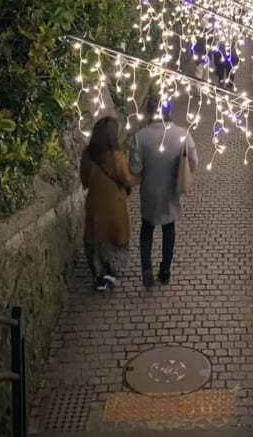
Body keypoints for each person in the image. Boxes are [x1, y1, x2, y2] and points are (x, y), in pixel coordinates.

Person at [129, 96, 198, 288]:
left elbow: (134, 168)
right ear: (169, 112)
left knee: (147, 229)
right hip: (171, 188)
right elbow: (193, 162)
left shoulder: (140, 136)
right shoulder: (183, 134)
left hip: (149, 190)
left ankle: (146, 268)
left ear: (150, 112)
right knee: (169, 228)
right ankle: (165, 269)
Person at [80, 114, 140, 292]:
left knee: (95, 237)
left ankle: (98, 275)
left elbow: (84, 180)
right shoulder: (116, 156)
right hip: (114, 203)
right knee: (115, 236)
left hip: (95, 202)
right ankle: (111, 270)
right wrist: (139, 177)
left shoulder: (87, 155)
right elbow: (127, 179)